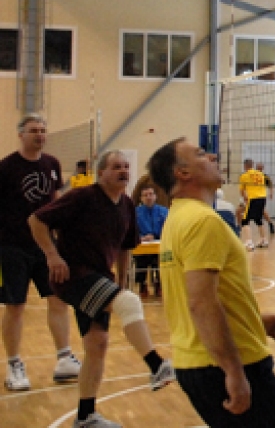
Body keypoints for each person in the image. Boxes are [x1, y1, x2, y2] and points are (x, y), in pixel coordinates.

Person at [148, 138, 275, 427]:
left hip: (197, 361)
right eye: (201, 154)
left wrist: (253, 322)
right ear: (182, 172)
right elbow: (201, 302)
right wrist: (234, 371)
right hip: (228, 363)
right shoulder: (203, 221)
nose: (212, 156)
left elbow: (197, 296)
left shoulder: (177, 218)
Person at [28, 150, 174, 428]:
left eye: (126, 166)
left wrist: (122, 282)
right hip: (72, 275)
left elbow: (126, 247)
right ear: (101, 172)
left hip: (99, 276)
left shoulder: (127, 204)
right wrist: (52, 256)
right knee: (129, 303)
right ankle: (157, 365)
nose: (123, 171)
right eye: (116, 167)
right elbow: (36, 220)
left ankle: (85, 416)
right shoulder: (82, 196)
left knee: (97, 345)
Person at [0, 114, 80, 391]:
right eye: (34, 130)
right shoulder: (6, 168)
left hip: (45, 247)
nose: (40, 135)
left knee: (58, 299)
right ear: (21, 134)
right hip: (12, 247)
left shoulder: (52, 164)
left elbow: (54, 202)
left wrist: (60, 241)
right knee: (15, 306)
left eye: (43, 130)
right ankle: (14, 364)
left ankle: (64, 358)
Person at [135, 182, 169, 298]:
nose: (148, 197)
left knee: (161, 259)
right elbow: (132, 231)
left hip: (160, 245)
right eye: (145, 195)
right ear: (141, 198)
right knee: (141, 260)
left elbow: (168, 228)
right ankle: (142, 285)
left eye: (151, 194)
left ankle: (159, 284)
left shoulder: (164, 211)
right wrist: (142, 237)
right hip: (142, 246)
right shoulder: (135, 213)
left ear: (155, 196)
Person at [238, 159, 269, 251]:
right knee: (258, 218)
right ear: (252, 165)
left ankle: (249, 242)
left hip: (253, 198)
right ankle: (264, 240)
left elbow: (241, 190)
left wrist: (245, 197)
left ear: (245, 166)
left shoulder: (244, 176)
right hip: (263, 198)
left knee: (245, 221)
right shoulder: (261, 174)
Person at [255, 163, 275, 235]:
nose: (259, 169)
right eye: (258, 168)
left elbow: (271, 186)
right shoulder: (253, 176)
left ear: (262, 169)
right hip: (252, 196)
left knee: (262, 211)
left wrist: (271, 193)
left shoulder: (265, 177)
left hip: (261, 196)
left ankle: (270, 224)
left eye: (260, 168)